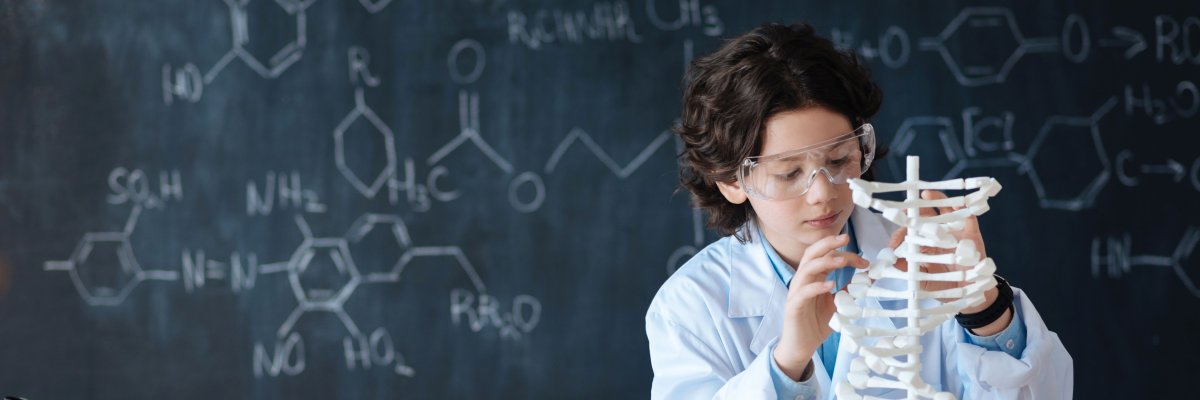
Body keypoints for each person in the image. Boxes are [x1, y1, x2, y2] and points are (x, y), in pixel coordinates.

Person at [645, 23, 1072, 399]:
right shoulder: (690, 306)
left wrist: (985, 310)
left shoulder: (926, 253)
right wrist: (787, 362)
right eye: (790, 172)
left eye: (838, 161)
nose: (822, 193)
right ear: (730, 182)